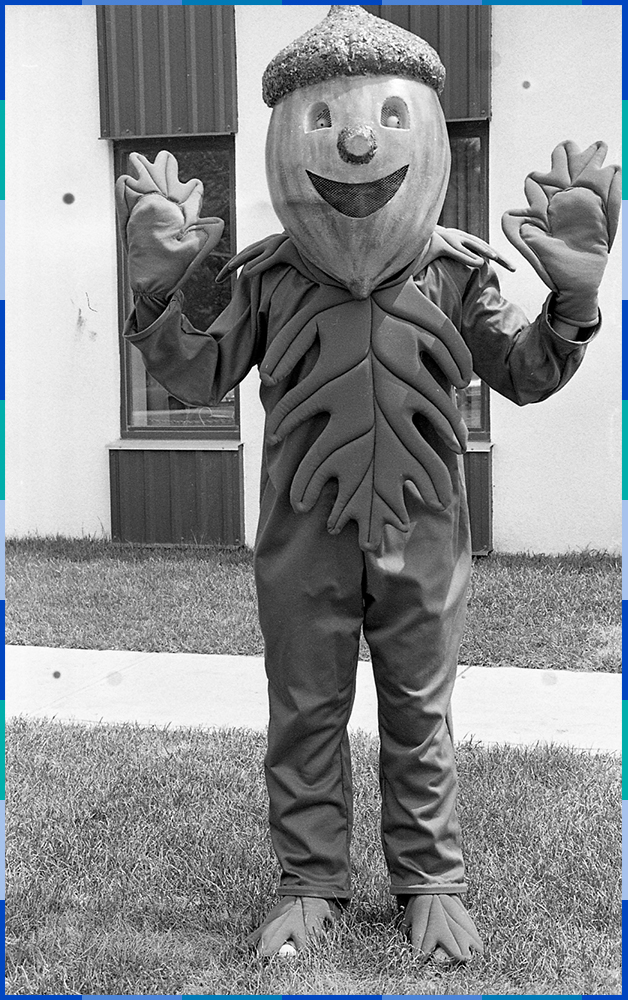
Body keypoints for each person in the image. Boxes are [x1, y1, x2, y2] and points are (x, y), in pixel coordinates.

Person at [115, 5, 620, 964]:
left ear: (426, 132)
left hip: (425, 532)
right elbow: (197, 374)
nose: (355, 138)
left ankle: (430, 881)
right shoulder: (267, 279)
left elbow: (524, 372)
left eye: (390, 116)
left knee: (418, 707)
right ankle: (310, 884)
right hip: (301, 536)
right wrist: (155, 297)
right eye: (327, 118)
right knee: (304, 703)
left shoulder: (458, 275)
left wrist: (575, 303)